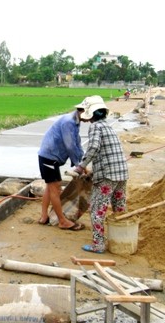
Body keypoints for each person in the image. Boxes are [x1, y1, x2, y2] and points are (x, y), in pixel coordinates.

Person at [74, 95, 129, 254]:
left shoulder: (96, 127)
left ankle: (98, 245)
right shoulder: (107, 125)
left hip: (107, 176)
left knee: (97, 209)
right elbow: (106, 152)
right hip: (121, 173)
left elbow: (94, 148)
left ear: (90, 112)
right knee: (119, 207)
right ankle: (121, 239)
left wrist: (81, 166)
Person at [37, 98, 89, 231]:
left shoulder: (75, 122)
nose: (89, 119)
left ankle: (43, 217)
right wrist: (79, 165)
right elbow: (70, 146)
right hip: (49, 158)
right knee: (56, 189)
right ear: (82, 111)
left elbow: (77, 143)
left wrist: (83, 164)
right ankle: (62, 221)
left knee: (50, 186)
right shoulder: (68, 122)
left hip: (50, 157)